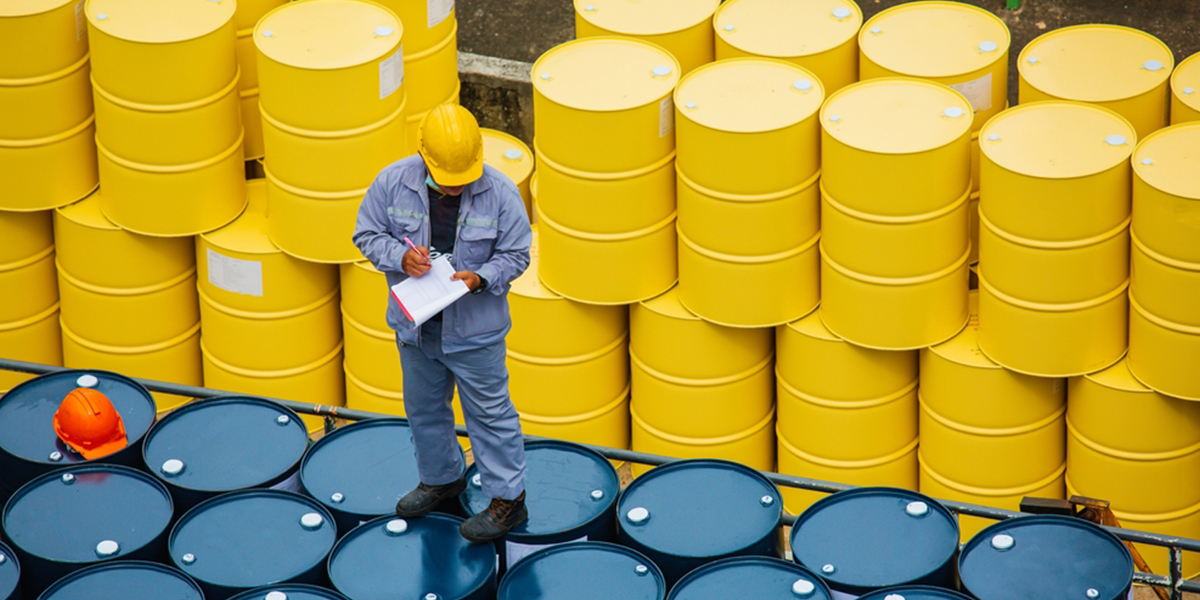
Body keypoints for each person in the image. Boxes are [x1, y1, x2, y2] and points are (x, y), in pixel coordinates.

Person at [352, 104, 532, 542]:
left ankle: (509, 500)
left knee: (490, 416)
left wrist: (481, 278)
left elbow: (516, 255)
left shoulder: (502, 194)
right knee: (424, 409)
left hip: (475, 333)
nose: (454, 187)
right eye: (447, 179)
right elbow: (366, 234)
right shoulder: (392, 182)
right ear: (423, 156)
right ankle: (441, 480)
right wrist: (399, 257)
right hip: (416, 328)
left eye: (462, 179)